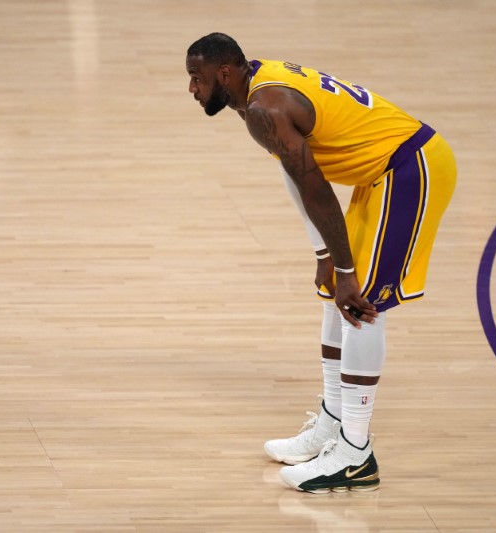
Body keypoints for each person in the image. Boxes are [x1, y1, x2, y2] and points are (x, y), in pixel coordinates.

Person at [186, 33, 456, 493]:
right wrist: (327, 257)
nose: (192, 89)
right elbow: (296, 173)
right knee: (335, 296)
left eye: (197, 78)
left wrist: (347, 270)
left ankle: (355, 455)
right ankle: (333, 424)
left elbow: (316, 188)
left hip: (410, 168)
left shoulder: (264, 109)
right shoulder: (259, 91)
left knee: (361, 303)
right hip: (383, 172)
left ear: (224, 74)